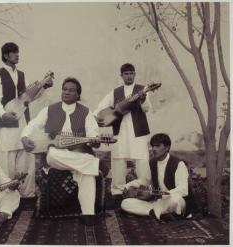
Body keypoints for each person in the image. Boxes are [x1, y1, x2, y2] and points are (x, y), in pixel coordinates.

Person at [21, 77, 107, 225]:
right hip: (57, 157)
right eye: (65, 89)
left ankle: (88, 215)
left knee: (86, 172)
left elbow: (93, 134)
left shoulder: (86, 113)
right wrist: (24, 136)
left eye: (71, 90)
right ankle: (96, 164)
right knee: (53, 153)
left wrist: (95, 140)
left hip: (79, 154)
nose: (66, 92)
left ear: (78, 95)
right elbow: (33, 124)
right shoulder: (50, 110)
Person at [94, 63, 151, 196]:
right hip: (120, 130)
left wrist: (142, 100)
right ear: (121, 76)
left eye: (131, 73)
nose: (129, 76)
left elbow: (147, 108)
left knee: (142, 159)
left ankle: (143, 189)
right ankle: (117, 192)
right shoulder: (115, 92)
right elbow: (101, 108)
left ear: (135, 74)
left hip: (138, 130)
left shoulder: (142, 89)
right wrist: (98, 117)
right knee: (118, 159)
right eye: (126, 74)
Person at [0, 42, 35, 198]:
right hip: (7, 122)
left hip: (23, 121)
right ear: (5, 55)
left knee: (26, 157)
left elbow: (30, 95)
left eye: (18, 52)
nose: (17, 55)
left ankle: (26, 194)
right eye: (14, 52)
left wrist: (44, 86)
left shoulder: (22, 75)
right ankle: (7, 196)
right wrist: (3, 115)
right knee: (7, 160)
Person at [121, 133, 193, 220]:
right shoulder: (153, 162)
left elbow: (183, 190)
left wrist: (160, 194)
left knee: (175, 200)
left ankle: (159, 212)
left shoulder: (178, 164)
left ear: (167, 147)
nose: (154, 149)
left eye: (158, 146)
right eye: (153, 146)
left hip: (174, 200)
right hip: (158, 202)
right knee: (126, 203)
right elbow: (145, 180)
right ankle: (155, 213)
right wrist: (127, 185)